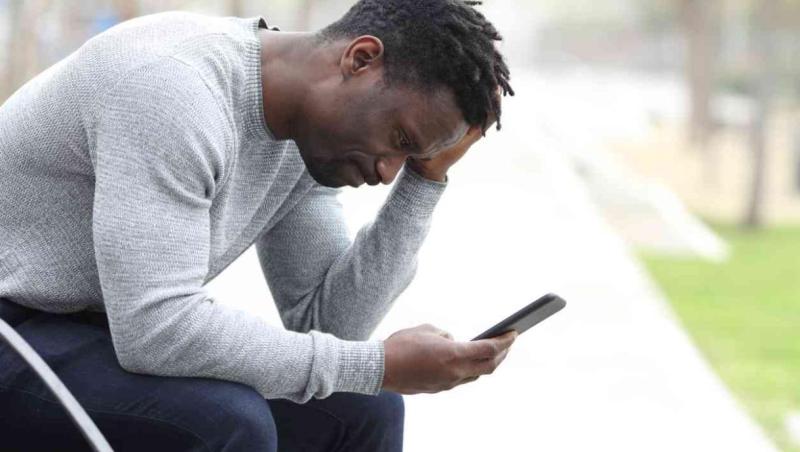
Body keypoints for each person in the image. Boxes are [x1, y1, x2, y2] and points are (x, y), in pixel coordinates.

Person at [0, 0, 516, 450]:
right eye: (400, 140)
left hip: (92, 332)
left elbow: (327, 327)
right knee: (224, 422)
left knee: (363, 410)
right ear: (360, 59)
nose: (386, 172)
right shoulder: (173, 88)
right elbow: (157, 329)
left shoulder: (307, 138)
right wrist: (377, 365)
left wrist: (424, 182)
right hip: (14, 328)